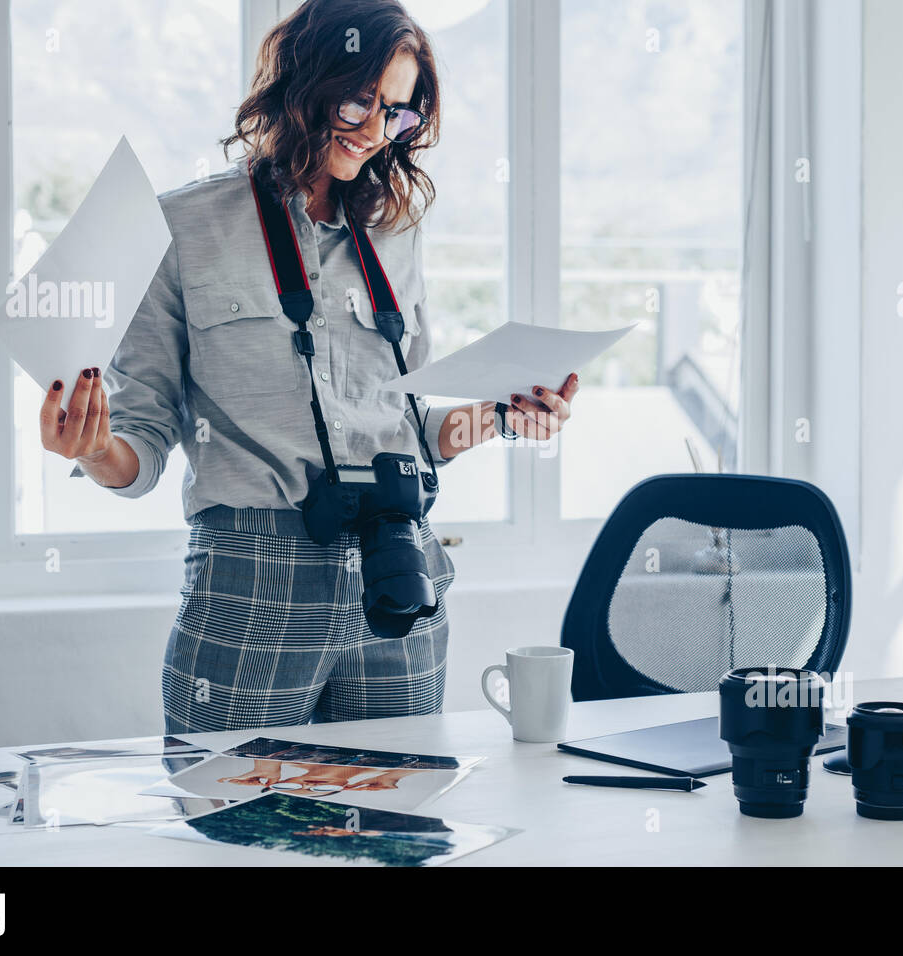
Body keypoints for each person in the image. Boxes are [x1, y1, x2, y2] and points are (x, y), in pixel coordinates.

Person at [37, 0, 578, 732]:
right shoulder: (180, 226)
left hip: (399, 573)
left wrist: (505, 415)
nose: (375, 129)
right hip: (252, 580)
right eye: (361, 98)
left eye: (397, 113)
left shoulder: (395, 232)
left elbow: (408, 420)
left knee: (395, 828)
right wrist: (97, 449)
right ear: (305, 80)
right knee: (230, 822)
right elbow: (145, 431)